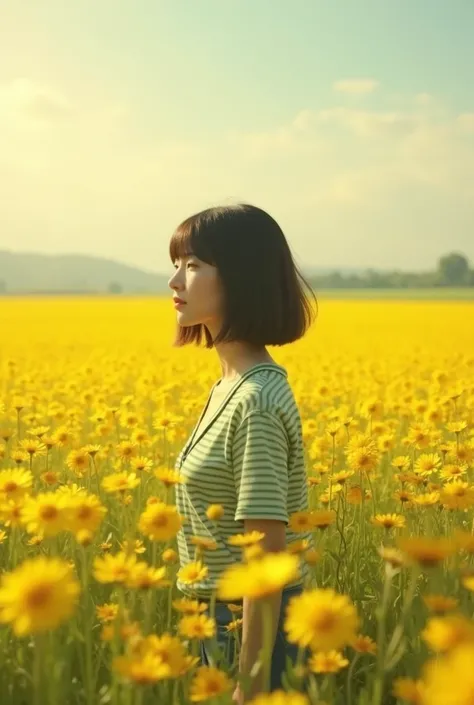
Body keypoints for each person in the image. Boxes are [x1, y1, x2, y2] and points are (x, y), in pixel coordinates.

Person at [167, 204, 317, 703]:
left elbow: (265, 560)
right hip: (227, 621)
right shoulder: (228, 386)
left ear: (241, 277)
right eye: (177, 264)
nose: (175, 281)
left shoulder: (255, 400)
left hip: (258, 634)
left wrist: (249, 684)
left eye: (192, 265)